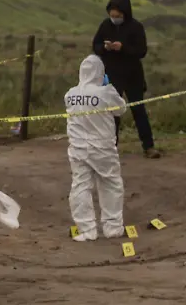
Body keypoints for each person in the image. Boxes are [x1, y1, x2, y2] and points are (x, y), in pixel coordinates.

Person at [64, 55, 127, 241]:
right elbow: (121, 109)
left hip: (78, 148)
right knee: (110, 184)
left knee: (80, 186)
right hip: (102, 148)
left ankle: (87, 230)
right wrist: (109, 88)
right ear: (101, 73)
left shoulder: (70, 94)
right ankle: (113, 227)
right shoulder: (105, 92)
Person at [91, 0, 161, 158]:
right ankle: (110, 147)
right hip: (112, 76)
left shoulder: (136, 27)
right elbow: (96, 45)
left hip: (132, 75)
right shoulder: (105, 25)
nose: (115, 19)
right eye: (112, 16)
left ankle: (148, 146)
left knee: (138, 110)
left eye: (118, 16)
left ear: (125, 13)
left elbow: (141, 51)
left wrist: (123, 48)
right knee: (112, 113)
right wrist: (105, 48)